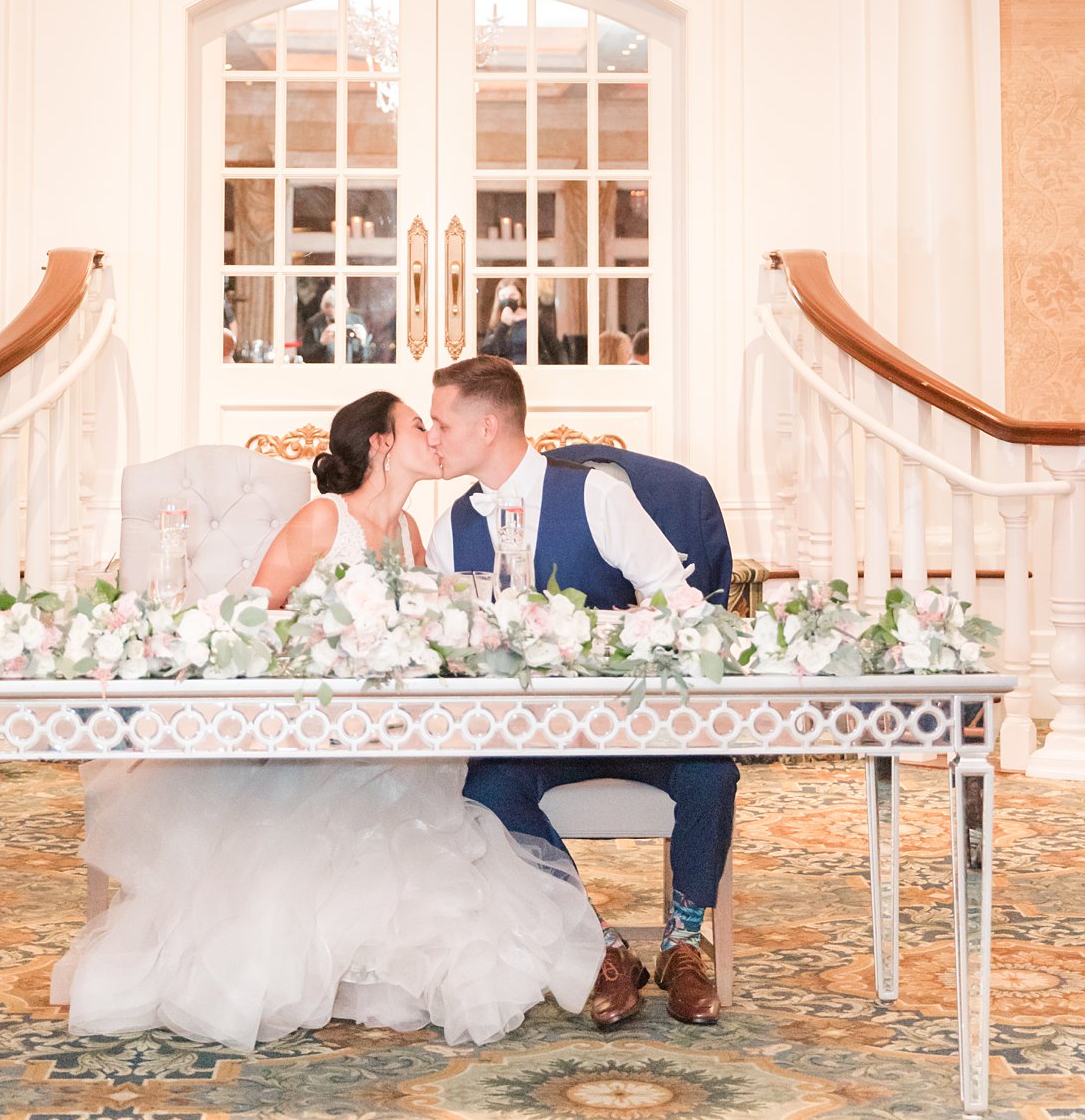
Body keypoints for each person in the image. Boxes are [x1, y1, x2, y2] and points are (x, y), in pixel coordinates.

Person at [52, 389, 602, 1051]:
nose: (432, 435)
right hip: (318, 731)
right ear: (381, 443)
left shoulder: (410, 535)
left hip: (392, 735)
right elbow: (256, 617)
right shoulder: (323, 520)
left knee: (427, 807)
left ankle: (370, 964)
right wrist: (326, 646)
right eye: (416, 424)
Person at [426, 354, 736, 1031]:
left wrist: (601, 633)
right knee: (484, 791)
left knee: (712, 769)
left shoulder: (595, 494)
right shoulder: (451, 528)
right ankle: (599, 944)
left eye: (441, 423)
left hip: (633, 720)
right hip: (531, 733)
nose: (432, 438)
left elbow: (679, 602)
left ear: (487, 424)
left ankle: (684, 942)